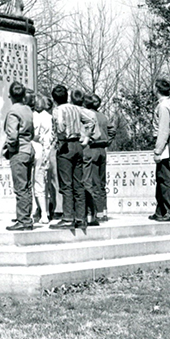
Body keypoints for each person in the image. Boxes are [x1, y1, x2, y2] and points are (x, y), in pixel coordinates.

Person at [50, 85, 93, 232]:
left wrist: (61, 136)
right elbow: (90, 121)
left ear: (54, 99)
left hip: (66, 146)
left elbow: (60, 127)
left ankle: (68, 217)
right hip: (78, 145)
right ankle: (81, 218)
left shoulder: (57, 110)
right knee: (78, 183)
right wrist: (86, 137)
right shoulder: (76, 108)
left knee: (66, 184)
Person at [3, 81, 35, 231]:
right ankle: (26, 217)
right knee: (27, 186)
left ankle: (23, 220)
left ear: (10, 96)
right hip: (29, 149)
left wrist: (10, 149)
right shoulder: (28, 110)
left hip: (19, 151)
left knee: (20, 187)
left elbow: (12, 135)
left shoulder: (13, 112)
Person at [150, 78, 170, 222]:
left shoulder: (163, 106)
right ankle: (161, 210)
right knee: (161, 177)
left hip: (167, 141)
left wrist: (158, 150)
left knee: (167, 178)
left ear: (156, 89)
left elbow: (163, 130)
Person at [71, 89, 102, 226]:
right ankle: (90, 214)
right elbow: (98, 135)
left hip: (80, 147)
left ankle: (84, 214)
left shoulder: (74, 112)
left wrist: (84, 138)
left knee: (78, 183)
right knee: (86, 182)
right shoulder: (91, 113)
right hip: (87, 147)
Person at [84, 93, 116, 222]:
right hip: (103, 150)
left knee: (93, 182)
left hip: (92, 149)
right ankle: (103, 212)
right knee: (101, 183)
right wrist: (108, 140)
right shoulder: (103, 116)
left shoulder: (88, 115)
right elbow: (112, 130)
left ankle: (96, 213)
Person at [31, 94, 55, 225]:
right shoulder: (49, 117)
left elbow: (34, 135)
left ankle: (35, 211)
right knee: (43, 183)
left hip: (34, 147)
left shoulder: (33, 116)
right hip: (46, 149)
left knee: (32, 182)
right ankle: (45, 213)